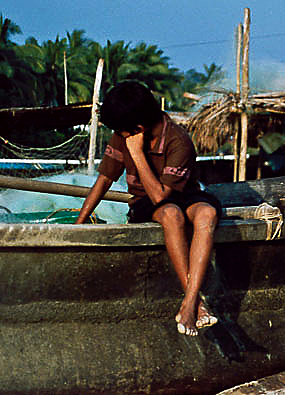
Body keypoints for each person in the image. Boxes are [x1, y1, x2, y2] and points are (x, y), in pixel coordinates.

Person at [75, 80, 222, 337]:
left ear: (138, 128)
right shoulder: (123, 135)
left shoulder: (179, 141)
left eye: (123, 133)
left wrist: (138, 154)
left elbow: (162, 195)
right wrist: (80, 223)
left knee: (207, 213)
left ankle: (189, 302)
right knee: (171, 215)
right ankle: (196, 304)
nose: (120, 136)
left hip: (179, 195)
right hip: (146, 204)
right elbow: (105, 179)